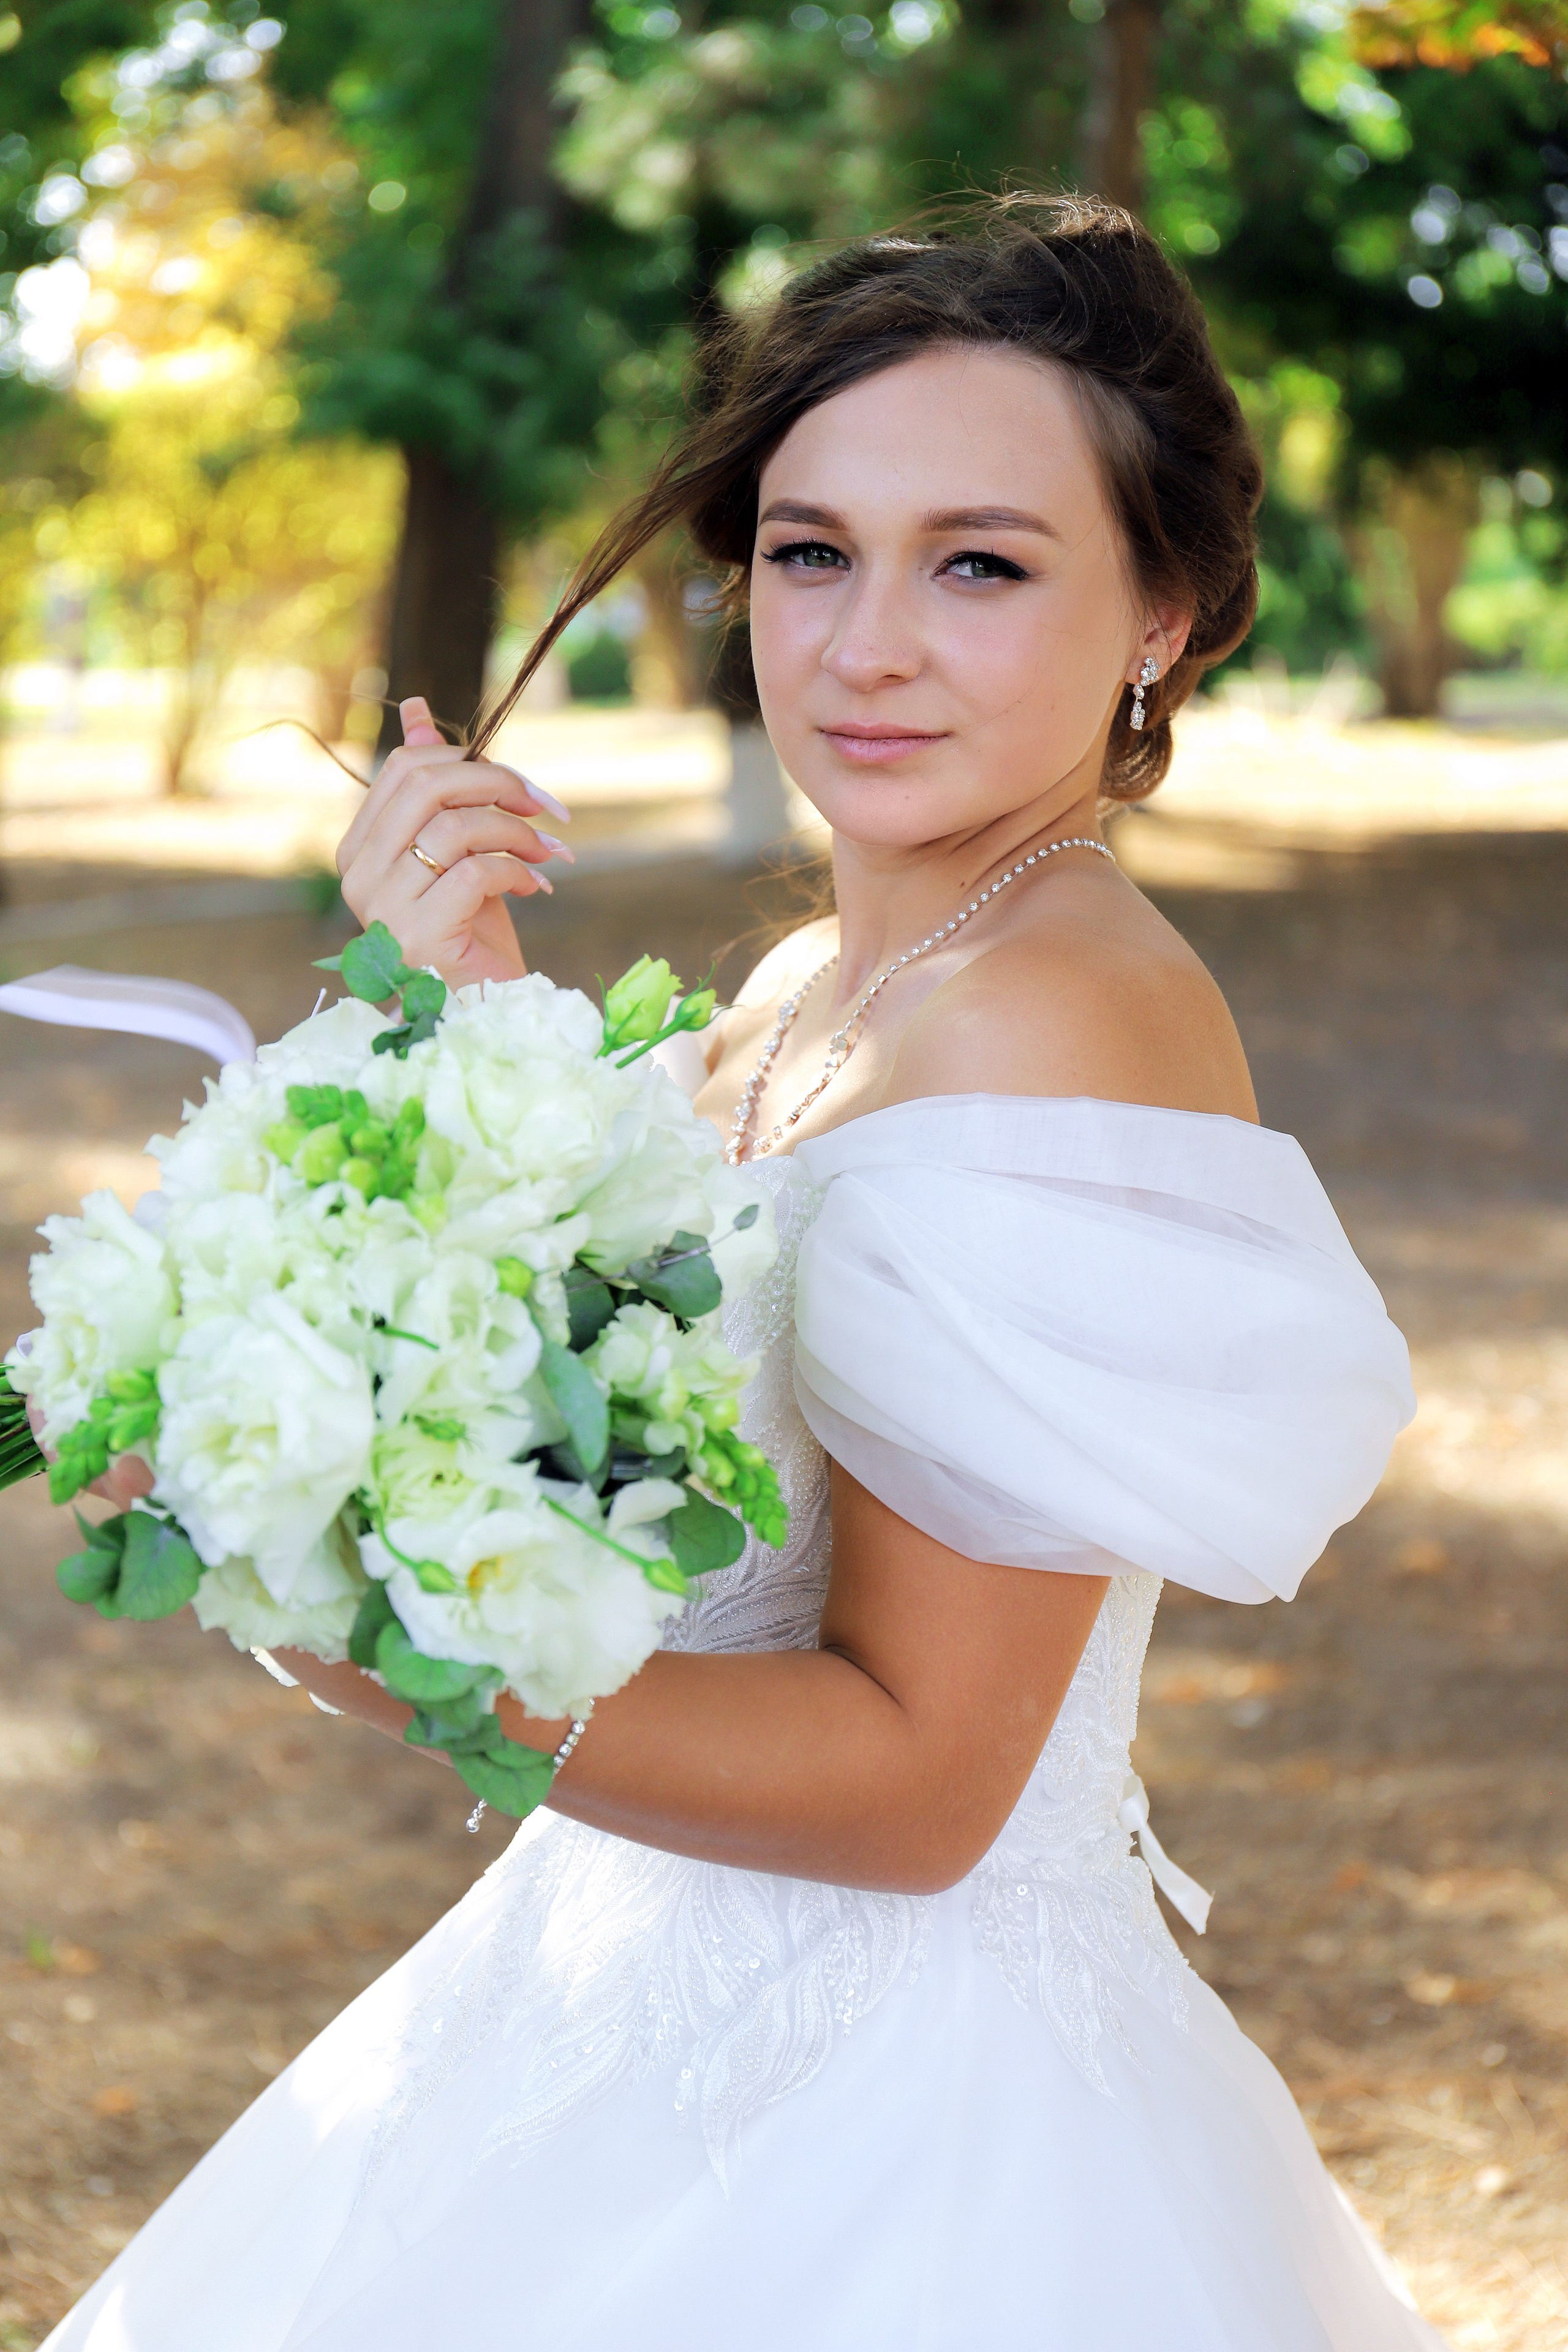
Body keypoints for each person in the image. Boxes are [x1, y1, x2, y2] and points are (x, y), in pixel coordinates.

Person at [44, 194, 1439, 2351]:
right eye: (813, 550)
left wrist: (388, 1645)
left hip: (912, 2124)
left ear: (1164, 613)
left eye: (981, 561)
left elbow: (916, 1787)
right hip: (628, 1980)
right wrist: (446, 1019)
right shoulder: (811, 984)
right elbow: (620, 1454)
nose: (866, 643)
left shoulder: (1065, 1019)